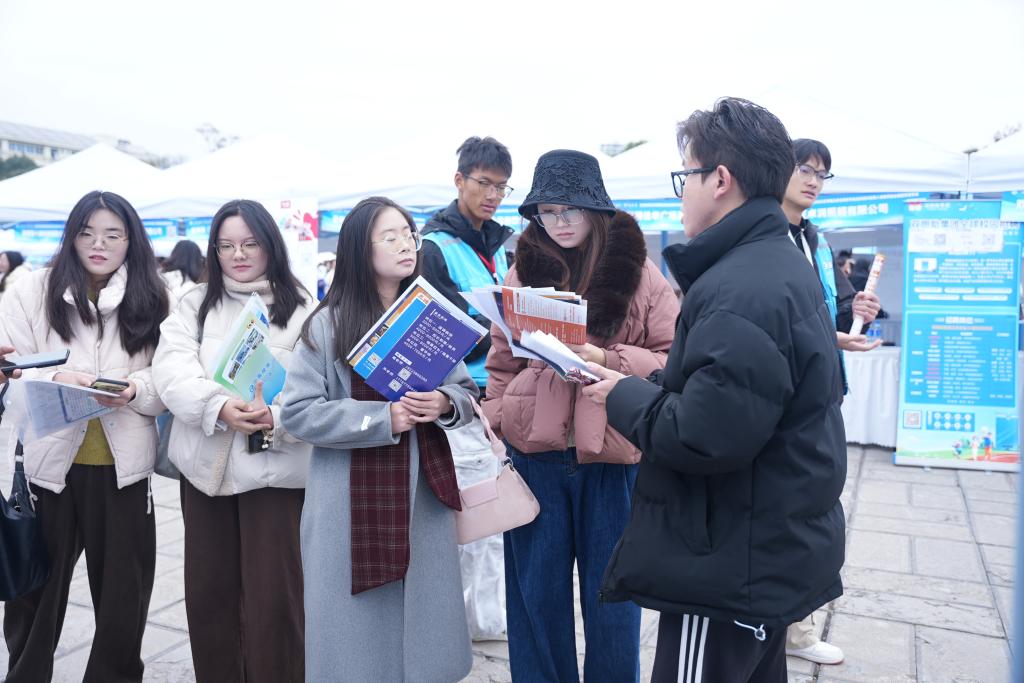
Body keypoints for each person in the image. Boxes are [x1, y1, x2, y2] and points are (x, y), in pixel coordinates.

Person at [587, 98, 847, 683]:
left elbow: (704, 435)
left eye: (686, 175)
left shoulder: (741, 285)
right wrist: (642, 383)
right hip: (762, 546)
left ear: (721, 180)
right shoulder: (772, 262)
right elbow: (728, 390)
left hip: (727, 559)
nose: (682, 193)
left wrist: (621, 395)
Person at [482, 149, 680, 682]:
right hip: (535, 453)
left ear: (595, 209)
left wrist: (607, 359)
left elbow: (673, 359)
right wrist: (498, 421)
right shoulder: (521, 273)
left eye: (570, 208)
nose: (560, 221)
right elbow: (501, 362)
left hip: (613, 453)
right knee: (535, 596)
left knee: (613, 597)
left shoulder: (641, 275)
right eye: (547, 211)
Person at [280, 196, 479, 682]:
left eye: (409, 234)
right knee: (355, 646)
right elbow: (298, 412)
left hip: (422, 498)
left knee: (424, 638)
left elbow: (466, 392)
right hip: (348, 501)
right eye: (390, 237)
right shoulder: (327, 324)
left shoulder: (426, 314)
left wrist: (443, 403)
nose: (406, 245)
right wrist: (380, 418)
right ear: (358, 250)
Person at [0, 190, 169, 682]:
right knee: (35, 597)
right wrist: (58, 377)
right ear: (71, 236)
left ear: (131, 240)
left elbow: (169, 376)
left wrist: (134, 388)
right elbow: (11, 368)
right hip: (47, 469)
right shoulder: (32, 290)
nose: (99, 244)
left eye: (113, 235)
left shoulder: (154, 295)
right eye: (87, 233)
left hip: (123, 470)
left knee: (123, 598)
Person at [152, 199, 314, 683]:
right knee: (210, 597)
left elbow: (317, 389)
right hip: (205, 473)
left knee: (276, 602)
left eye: (249, 243)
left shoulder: (304, 309)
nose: (238, 255)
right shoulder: (194, 303)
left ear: (271, 245)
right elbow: (171, 369)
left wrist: (276, 417)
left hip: (275, 477)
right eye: (226, 245)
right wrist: (217, 406)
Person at [780, 138, 882, 664]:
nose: (813, 180)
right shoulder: (763, 236)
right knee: (784, 511)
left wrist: (858, 308)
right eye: (804, 168)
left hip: (821, 392)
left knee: (814, 510)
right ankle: (777, 629)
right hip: (779, 394)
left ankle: (797, 631)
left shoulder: (816, 240)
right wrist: (829, 333)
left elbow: (836, 311)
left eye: (822, 173)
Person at [420, 135, 514, 640]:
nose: (493, 195)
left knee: (495, 513)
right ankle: (457, 621)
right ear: (459, 180)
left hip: (500, 393)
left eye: (502, 187)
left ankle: (487, 617)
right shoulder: (433, 247)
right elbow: (439, 327)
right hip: (459, 399)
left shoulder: (499, 244)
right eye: (484, 183)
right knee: (466, 515)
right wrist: (501, 325)